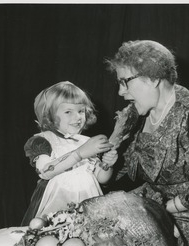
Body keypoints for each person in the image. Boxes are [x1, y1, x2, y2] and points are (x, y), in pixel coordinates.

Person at [105, 40, 189, 246]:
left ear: (153, 78)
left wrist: (162, 210)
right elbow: (124, 166)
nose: (121, 92)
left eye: (125, 82)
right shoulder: (136, 113)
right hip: (153, 203)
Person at [21, 81, 118, 225]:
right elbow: (45, 171)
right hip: (56, 202)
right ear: (50, 115)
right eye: (68, 112)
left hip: (87, 201)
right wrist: (79, 154)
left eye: (81, 111)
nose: (78, 117)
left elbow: (101, 178)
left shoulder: (87, 141)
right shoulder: (44, 139)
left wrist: (107, 165)